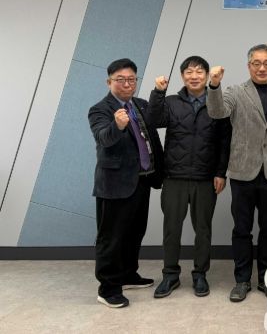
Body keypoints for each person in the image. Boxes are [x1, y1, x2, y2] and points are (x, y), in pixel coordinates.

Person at [207, 44, 267, 302]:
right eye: (256, 63)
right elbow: (217, 112)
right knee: (242, 229)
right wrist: (214, 85)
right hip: (242, 171)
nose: (262, 68)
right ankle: (242, 280)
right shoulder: (235, 92)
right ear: (249, 66)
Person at [147, 56, 231, 299]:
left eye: (199, 71)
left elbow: (225, 141)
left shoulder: (218, 103)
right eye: (189, 72)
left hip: (205, 177)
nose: (194, 76)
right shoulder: (171, 102)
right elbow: (154, 120)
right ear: (182, 76)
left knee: (203, 229)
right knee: (171, 229)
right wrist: (158, 92)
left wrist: (220, 173)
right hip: (174, 176)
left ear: (207, 75)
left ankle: (200, 274)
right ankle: (170, 275)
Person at [88, 58, 164, 308]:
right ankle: (108, 288)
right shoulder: (100, 109)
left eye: (131, 79)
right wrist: (117, 126)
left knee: (134, 232)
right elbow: (103, 138)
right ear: (109, 82)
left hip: (141, 181)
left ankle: (128, 274)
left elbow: (152, 135)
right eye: (120, 80)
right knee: (111, 238)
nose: (127, 84)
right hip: (114, 185)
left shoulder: (140, 105)